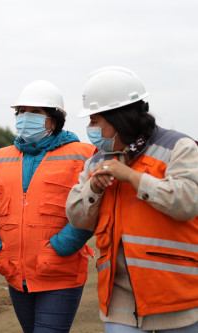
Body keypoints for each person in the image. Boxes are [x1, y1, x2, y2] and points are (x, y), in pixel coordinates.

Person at [66, 66, 198, 332]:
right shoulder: (95, 162)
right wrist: (93, 188)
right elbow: (77, 218)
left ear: (120, 119)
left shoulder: (180, 148)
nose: (90, 128)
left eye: (95, 120)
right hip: (119, 298)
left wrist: (133, 177)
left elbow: (187, 203)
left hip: (176, 296)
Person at [0, 80, 96, 332]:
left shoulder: (83, 155)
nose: (25, 117)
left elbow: (89, 208)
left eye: (36, 112)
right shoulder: (0, 157)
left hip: (60, 272)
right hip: (15, 272)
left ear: (55, 119)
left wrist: (60, 248)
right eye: (21, 111)